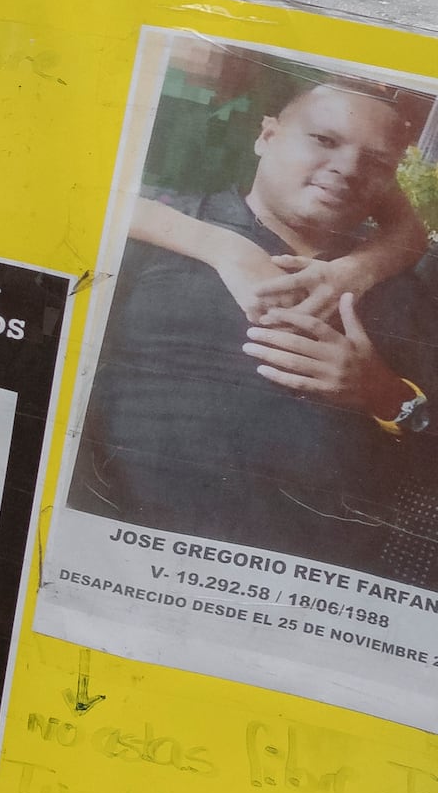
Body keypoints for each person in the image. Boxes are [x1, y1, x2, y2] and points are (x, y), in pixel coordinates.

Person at [71, 69, 438, 586]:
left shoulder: (404, 290)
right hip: (117, 555)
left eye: (376, 161)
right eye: (324, 140)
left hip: (308, 586)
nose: (348, 168)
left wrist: (380, 390)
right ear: (267, 136)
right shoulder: (156, 234)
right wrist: (222, 245)